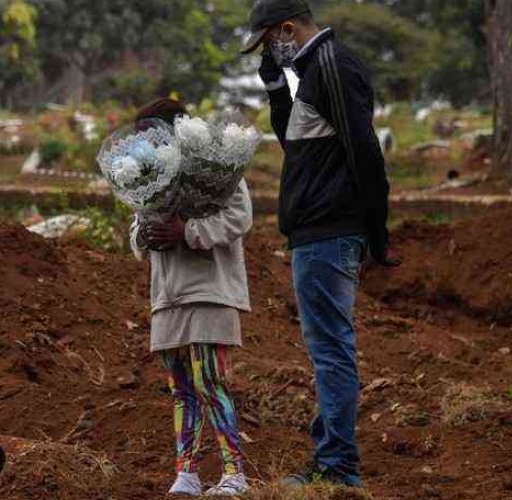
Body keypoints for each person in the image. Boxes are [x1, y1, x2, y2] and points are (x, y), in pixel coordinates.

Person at [241, 0, 399, 488]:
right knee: (327, 348)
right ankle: (330, 456)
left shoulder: (331, 66)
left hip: (329, 232)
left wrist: (377, 231)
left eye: (268, 41)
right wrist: (274, 88)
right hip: (319, 232)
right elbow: (301, 144)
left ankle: (338, 469)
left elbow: (364, 151)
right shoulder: (314, 71)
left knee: (331, 350)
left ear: (287, 28)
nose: (268, 50)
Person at [131, 98, 253, 497]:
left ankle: (234, 474)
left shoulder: (216, 168)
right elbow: (136, 229)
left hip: (209, 291)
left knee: (210, 382)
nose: (146, 142)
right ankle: (187, 473)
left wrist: (186, 232)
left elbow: (239, 217)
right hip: (167, 296)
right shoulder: (149, 175)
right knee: (181, 388)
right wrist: (145, 235)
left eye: (153, 133)